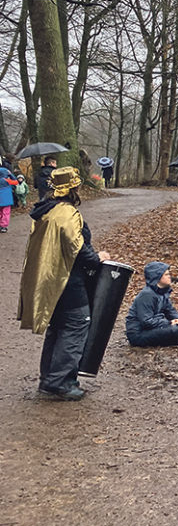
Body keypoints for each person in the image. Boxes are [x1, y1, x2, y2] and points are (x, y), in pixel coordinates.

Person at [18, 167, 111, 400]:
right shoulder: (67, 213)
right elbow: (78, 249)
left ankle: (49, 379)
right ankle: (59, 381)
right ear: (72, 188)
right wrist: (98, 257)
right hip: (68, 282)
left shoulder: (44, 212)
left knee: (57, 329)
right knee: (76, 326)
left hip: (51, 283)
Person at [125, 262, 178, 347]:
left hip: (153, 328)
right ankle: (176, 336)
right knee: (174, 331)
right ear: (157, 277)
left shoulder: (163, 293)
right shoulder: (147, 295)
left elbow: (171, 311)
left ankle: (177, 335)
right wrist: (169, 323)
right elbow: (146, 321)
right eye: (166, 274)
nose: (169, 276)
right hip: (138, 333)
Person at [0, 160, 16, 233]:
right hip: (7, 198)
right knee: (6, 212)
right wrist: (11, 174)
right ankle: (3, 226)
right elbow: (15, 181)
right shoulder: (7, 180)